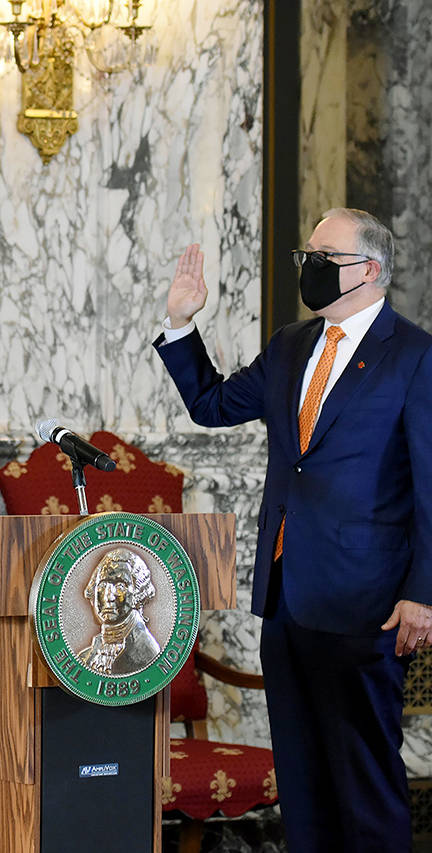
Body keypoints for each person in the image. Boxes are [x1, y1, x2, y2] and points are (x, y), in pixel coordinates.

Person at [154, 208, 432, 852]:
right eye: (306, 254)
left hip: (369, 602)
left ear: (368, 270)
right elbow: (212, 405)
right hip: (286, 596)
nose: (309, 268)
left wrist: (422, 593)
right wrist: (180, 323)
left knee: (364, 777)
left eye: (323, 257)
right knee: (302, 777)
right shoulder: (291, 344)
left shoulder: (415, 356)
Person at [75, 547, 162, 676]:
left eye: (120, 586)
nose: (108, 597)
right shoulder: (84, 658)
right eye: (103, 586)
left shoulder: (148, 654)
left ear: (138, 594)